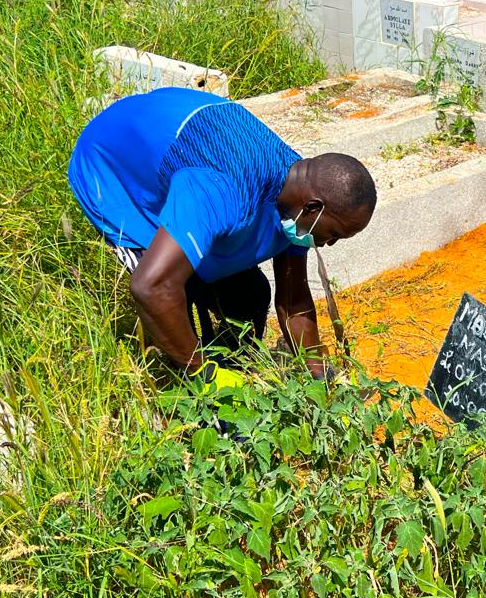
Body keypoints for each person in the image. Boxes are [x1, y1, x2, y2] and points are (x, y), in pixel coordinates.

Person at [67, 87, 377, 386]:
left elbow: (293, 298)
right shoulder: (221, 189)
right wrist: (206, 375)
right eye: (335, 234)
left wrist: (317, 373)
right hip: (114, 167)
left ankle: (232, 362)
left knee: (250, 295)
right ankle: (191, 386)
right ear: (313, 208)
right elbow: (151, 286)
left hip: (180, 143)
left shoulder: (298, 191)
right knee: (171, 299)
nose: (330, 243)